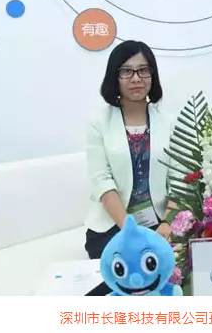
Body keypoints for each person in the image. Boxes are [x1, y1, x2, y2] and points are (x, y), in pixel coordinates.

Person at [84, 40, 175, 263]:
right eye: (126, 71)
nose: (136, 78)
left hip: (161, 223)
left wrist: (168, 223)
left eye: (143, 70)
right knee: (124, 271)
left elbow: (179, 180)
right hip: (114, 226)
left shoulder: (170, 122)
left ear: (152, 75)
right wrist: (131, 231)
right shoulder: (98, 123)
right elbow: (101, 180)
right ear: (115, 77)